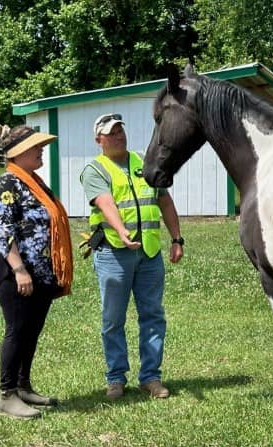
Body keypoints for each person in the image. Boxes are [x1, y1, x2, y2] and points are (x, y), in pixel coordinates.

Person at [80, 113, 184, 400]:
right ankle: (116, 378)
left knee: (152, 315)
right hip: (114, 252)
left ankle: (150, 377)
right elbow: (105, 202)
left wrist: (176, 238)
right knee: (113, 319)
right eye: (112, 133)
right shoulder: (94, 170)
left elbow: (164, 199)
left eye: (120, 131)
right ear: (99, 139)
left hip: (150, 253)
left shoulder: (144, 162)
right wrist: (121, 231)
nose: (119, 136)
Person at [0, 125, 73, 419]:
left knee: (31, 332)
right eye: (36, 147)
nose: (42, 150)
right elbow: (3, 233)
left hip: (41, 273)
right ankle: (6, 395)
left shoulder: (34, 182)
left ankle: (23, 386)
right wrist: (20, 270)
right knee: (17, 331)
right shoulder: (5, 185)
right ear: (18, 153)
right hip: (17, 273)